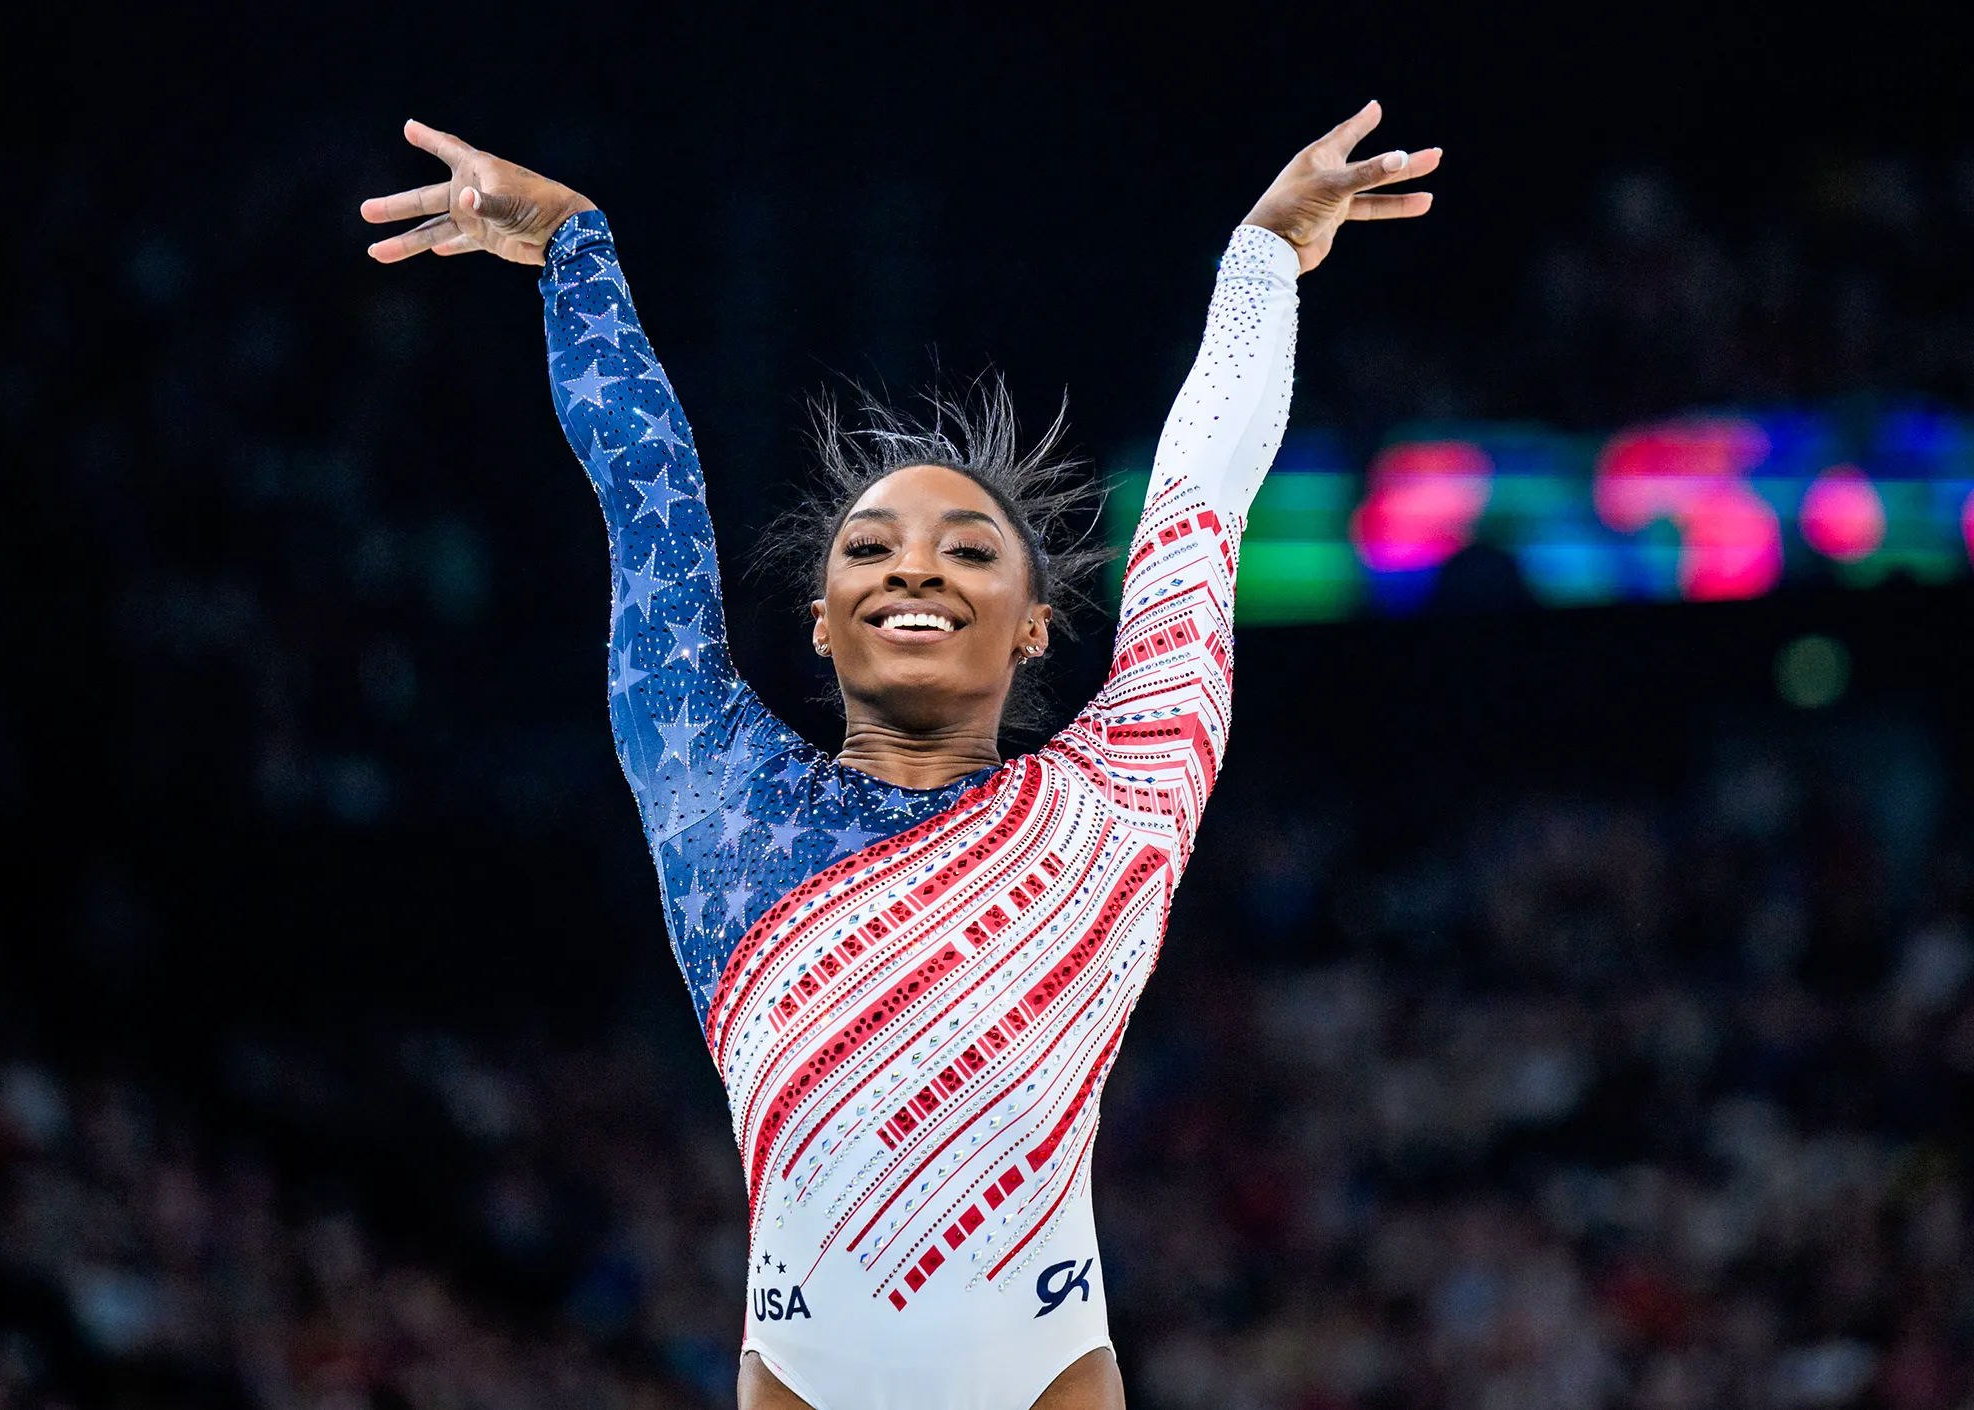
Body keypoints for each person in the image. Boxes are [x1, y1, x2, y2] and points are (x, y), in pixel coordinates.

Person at [360, 104, 1439, 1410]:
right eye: (869, 549)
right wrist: (575, 251)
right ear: (820, 620)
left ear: (1036, 624)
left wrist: (1267, 255)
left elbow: (1200, 504)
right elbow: (645, 500)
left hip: (1046, 1371)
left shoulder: (1114, 800)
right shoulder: (723, 803)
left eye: (968, 550)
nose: (914, 563)